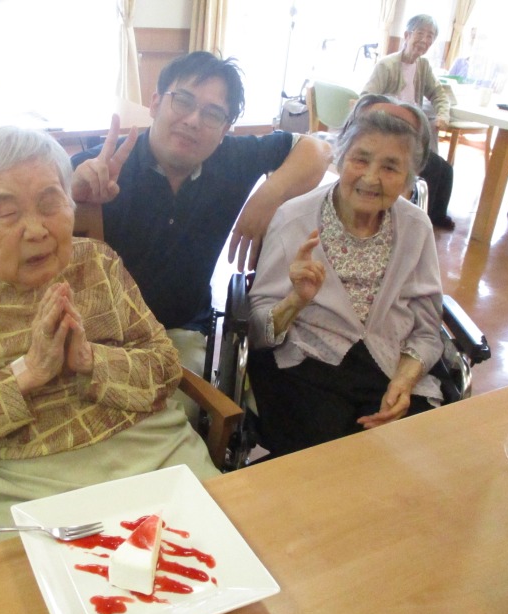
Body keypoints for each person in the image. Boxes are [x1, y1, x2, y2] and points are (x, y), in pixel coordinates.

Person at [0, 126, 219, 551]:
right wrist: (25, 375)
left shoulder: (98, 261)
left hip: (152, 452)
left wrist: (90, 360)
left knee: (223, 558)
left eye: (50, 204)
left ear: (70, 204)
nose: (36, 230)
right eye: (8, 213)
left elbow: (165, 368)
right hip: (20, 484)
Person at [70, 51, 332, 418]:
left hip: (178, 329)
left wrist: (268, 195)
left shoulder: (231, 159)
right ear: (155, 103)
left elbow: (318, 149)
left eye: (212, 114)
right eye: (183, 101)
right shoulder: (104, 166)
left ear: (225, 129)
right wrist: (74, 197)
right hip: (97, 332)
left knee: (175, 417)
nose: (194, 121)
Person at [246, 94, 444, 459]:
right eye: (361, 159)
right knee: (329, 462)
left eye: (390, 167)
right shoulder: (293, 219)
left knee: (416, 456)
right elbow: (258, 333)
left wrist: (403, 382)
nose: (370, 178)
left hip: (389, 366)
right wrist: (295, 301)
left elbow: (429, 332)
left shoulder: (416, 228)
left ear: (408, 179)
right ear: (340, 159)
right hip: (305, 368)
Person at [361, 14, 456, 230]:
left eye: (430, 36)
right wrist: (391, 115)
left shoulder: (423, 66)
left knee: (446, 170)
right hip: (391, 132)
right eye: (420, 34)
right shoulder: (387, 65)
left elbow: (439, 94)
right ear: (406, 35)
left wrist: (442, 115)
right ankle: (420, 220)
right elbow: (367, 98)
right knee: (432, 167)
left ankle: (436, 217)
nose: (424, 40)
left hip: (413, 132)